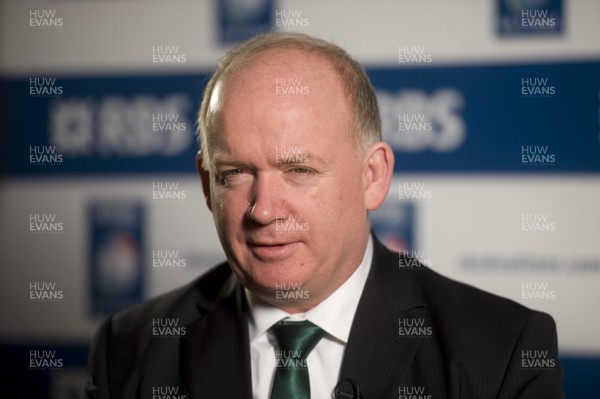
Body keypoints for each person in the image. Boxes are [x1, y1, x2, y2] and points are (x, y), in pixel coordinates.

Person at [82, 32, 564, 399]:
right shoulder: (129, 350)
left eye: (299, 170)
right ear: (208, 186)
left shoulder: (503, 352)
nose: (264, 210)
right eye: (235, 173)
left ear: (372, 177)